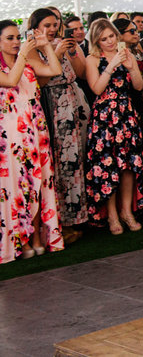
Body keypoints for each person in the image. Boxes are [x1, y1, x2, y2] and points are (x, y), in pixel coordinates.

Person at [0, 19, 64, 261]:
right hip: (9, 136)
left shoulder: (27, 59)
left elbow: (55, 71)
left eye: (18, 37)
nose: (16, 42)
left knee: (39, 182)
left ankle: (37, 237)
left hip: (36, 129)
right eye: (10, 38)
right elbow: (9, 81)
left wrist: (46, 46)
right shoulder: (14, 62)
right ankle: (20, 239)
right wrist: (24, 54)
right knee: (16, 186)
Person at [84, 18, 143, 234]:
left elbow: (139, 86)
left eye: (111, 36)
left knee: (129, 164)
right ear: (96, 41)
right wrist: (111, 67)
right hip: (104, 117)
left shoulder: (126, 54)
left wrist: (131, 68)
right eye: (104, 39)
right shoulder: (92, 59)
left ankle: (126, 211)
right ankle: (112, 215)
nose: (110, 42)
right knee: (108, 167)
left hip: (126, 113)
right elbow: (96, 89)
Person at [31, 9, 89, 244]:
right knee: (58, 163)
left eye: (56, 24)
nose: (53, 28)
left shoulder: (63, 43)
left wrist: (72, 51)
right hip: (50, 105)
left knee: (75, 160)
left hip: (72, 104)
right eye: (47, 24)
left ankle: (77, 217)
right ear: (35, 26)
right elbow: (40, 81)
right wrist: (53, 52)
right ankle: (59, 223)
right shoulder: (31, 48)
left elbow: (80, 72)